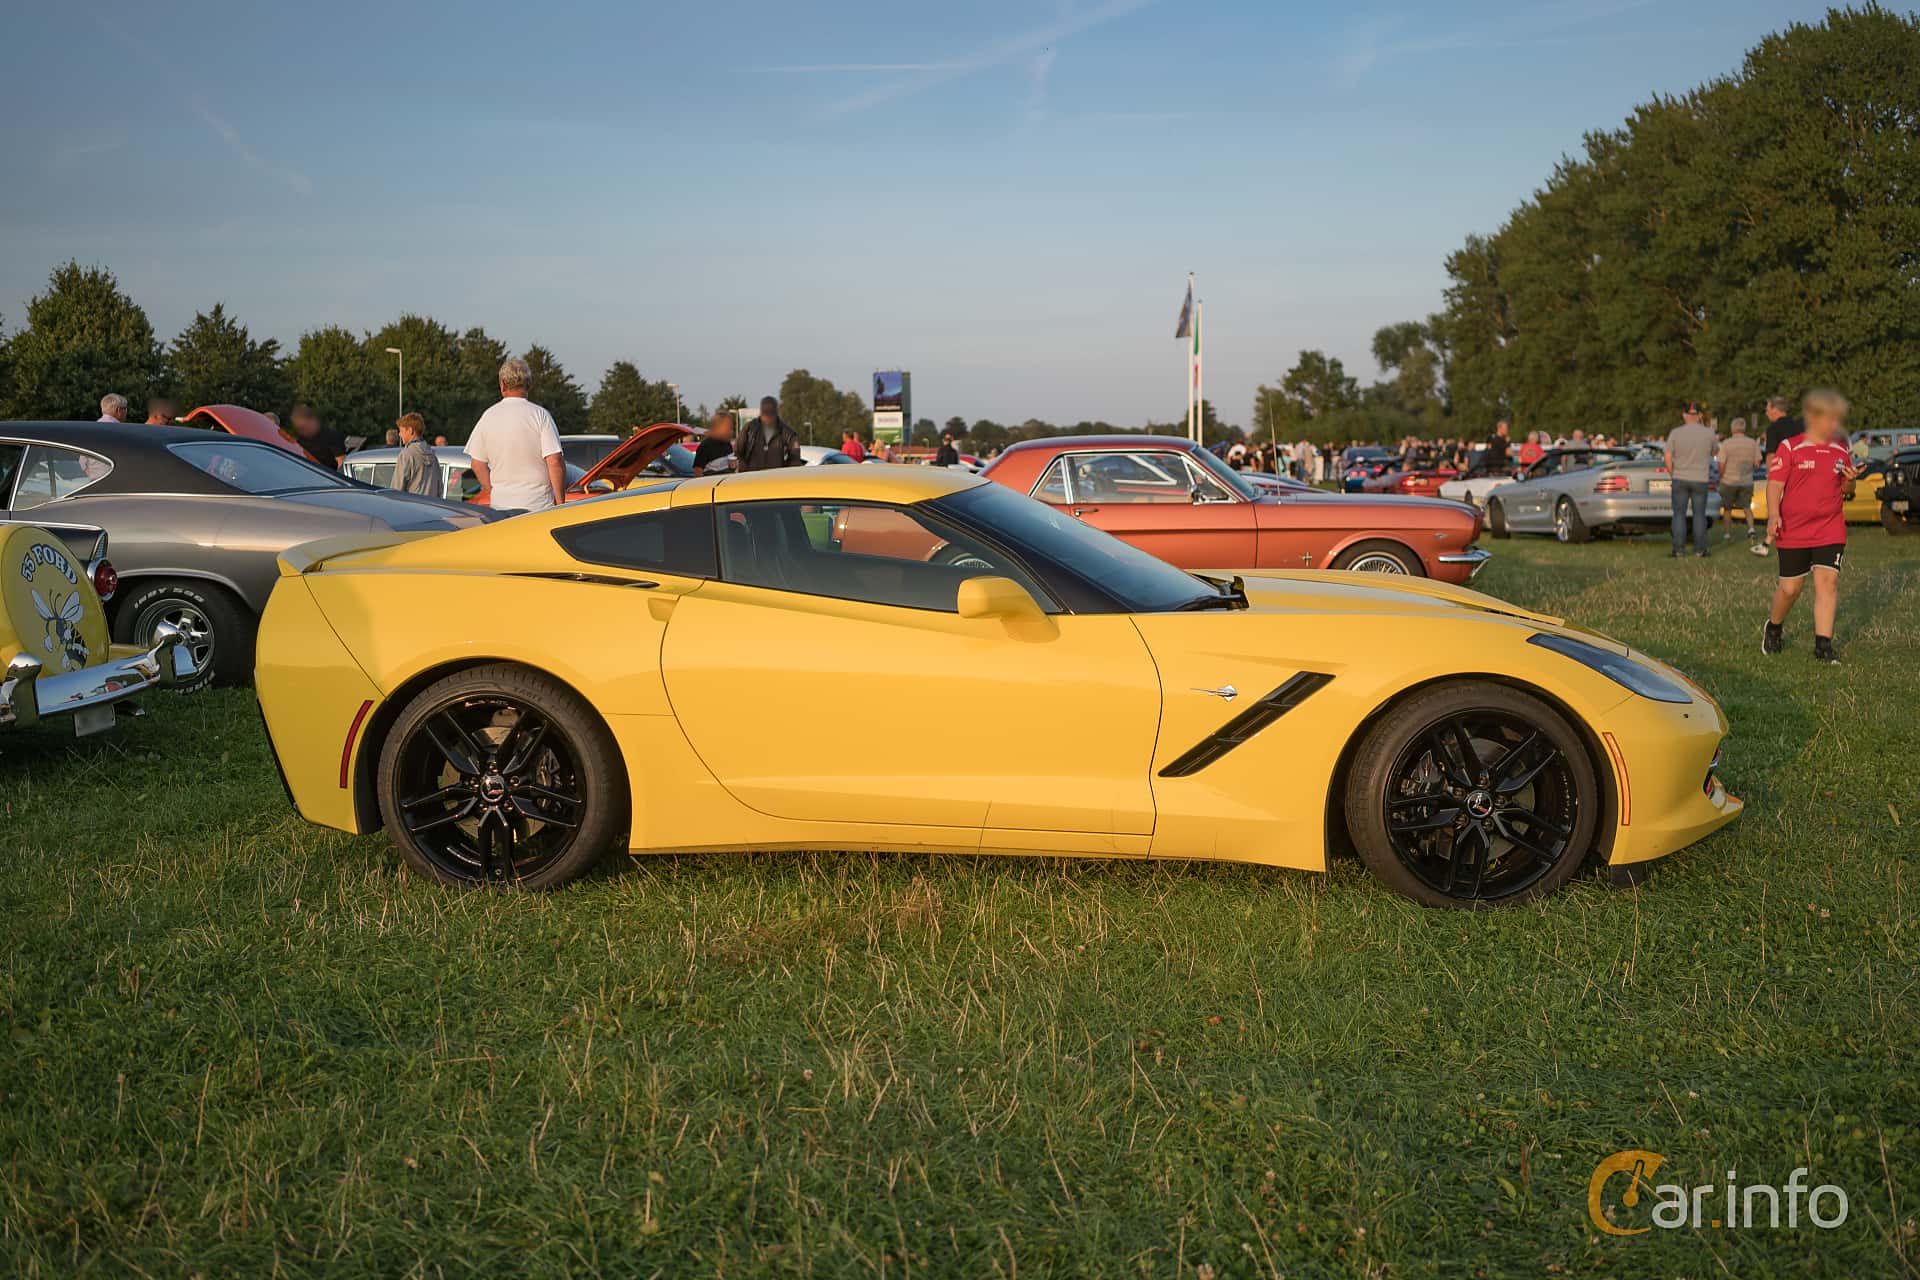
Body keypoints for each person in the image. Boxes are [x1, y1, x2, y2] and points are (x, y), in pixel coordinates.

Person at [1761, 389, 1856, 665]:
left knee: (1827, 583)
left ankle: (1823, 646)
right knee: (1790, 589)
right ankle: (1774, 627)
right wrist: (1773, 514)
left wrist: (1850, 480)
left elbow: (1846, 488)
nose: (1835, 425)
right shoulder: (1790, 447)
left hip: (1830, 527)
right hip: (1794, 528)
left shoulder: (1840, 449)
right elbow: (1775, 483)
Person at [466, 357, 564, 511]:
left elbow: (477, 464)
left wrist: (494, 491)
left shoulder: (488, 416)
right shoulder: (541, 415)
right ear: (528, 384)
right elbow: (555, 461)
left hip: (501, 507)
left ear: (502, 384)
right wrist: (560, 503)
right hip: (538, 507)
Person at [1664, 401, 1718, 557]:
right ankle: (1700, 550)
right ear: (1700, 416)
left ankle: (1679, 550)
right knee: (1699, 514)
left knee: (1679, 514)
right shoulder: (1709, 433)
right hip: (1700, 478)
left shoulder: (1675, 433)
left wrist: (1673, 474)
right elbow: (1715, 451)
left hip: (1680, 477)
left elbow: (1667, 458)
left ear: (1684, 415)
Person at [1717, 417, 1762, 541]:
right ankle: (1751, 529)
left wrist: (1721, 476)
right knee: (1747, 507)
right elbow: (1757, 463)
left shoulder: (1726, 443)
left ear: (1732, 429)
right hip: (1746, 480)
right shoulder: (1752, 443)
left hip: (1728, 480)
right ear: (1744, 428)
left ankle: (1726, 533)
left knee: (1727, 508)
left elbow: (1721, 463)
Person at [735, 397, 803, 471]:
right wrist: (745, 470)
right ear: (761, 412)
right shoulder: (749, 430)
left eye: (771, 414)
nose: (768, 418)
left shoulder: (788, 434)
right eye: (765, 414)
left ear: (776, 413)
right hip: (752, 479)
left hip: (777, 479)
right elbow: (738, 453)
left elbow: (795, 460)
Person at [388, 412, 442, 497]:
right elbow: (439, 488)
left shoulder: (406, 454)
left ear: (410, 430)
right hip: (432, 507)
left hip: (412, 507)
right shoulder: (432, 454)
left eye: (401, 431)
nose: (399, 434)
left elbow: (396, 490)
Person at [289, 404, 346, 469]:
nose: (302, 429)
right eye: (300, 427)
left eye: (304, 426)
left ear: (312, 421)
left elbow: (341, 462)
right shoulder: (300, 439)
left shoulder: (331, 436)